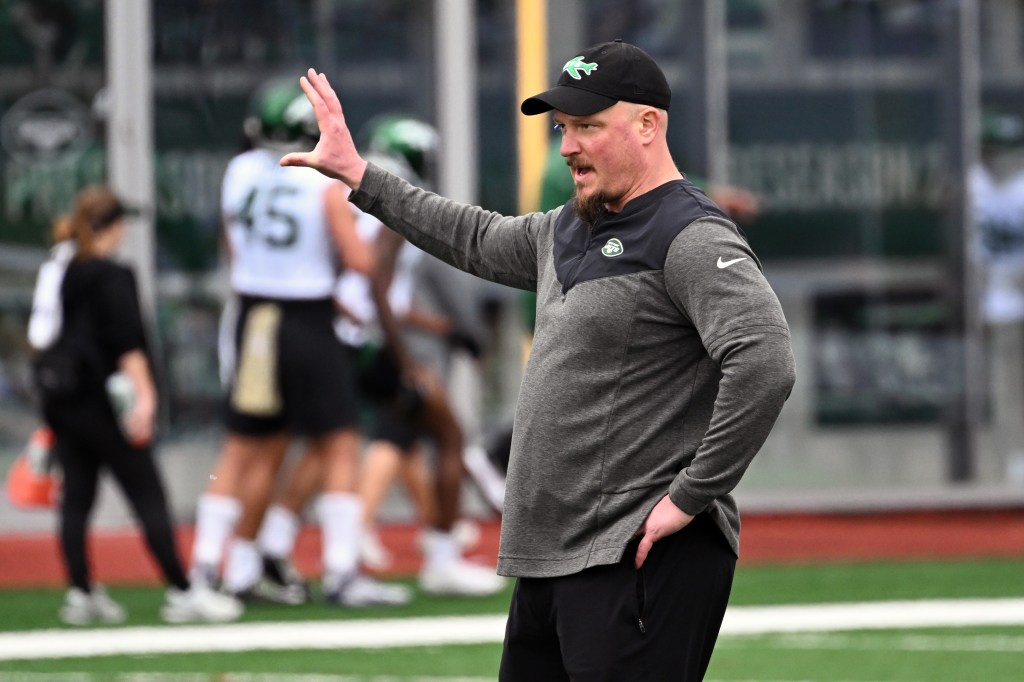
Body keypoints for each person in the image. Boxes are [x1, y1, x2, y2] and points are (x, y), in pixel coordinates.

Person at [282, 39, 796, 680]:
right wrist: (362, 177)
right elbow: (471, 235)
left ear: (648, 125)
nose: (567, 147)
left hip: (634, 557)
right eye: (563, 128)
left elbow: (765, 361)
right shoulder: (568, 227)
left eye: (587, 127)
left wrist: (692, 497)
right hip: (550, 562)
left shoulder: (690, 234)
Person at [256, 115, 504, 598]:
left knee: (330, 442)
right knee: (447, 435)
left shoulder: (346, 184)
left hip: (335, 329)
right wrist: (404, 358)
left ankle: (275, 543)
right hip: (368, 339)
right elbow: (378, 282)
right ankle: (438, 558)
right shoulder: (391, 193)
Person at [187, 79, 410, 608]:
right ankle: (340, 570)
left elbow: (233, 246)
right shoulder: (319, 183)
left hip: (254, 315)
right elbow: (358, 261)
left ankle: (213, 570)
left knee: (248, 447)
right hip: (307, 321)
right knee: (339, 441)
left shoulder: (238, 172)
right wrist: (391, 235)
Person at [28, 185, 243, 625]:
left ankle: (81, 591)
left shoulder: (63, 268)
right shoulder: (112, 275)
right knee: (148, 495)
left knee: (77, 498)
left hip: (65, 402)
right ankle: (183, 590)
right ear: (112, 226)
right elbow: (128, 347)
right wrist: (145, 399)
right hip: (107, 403)